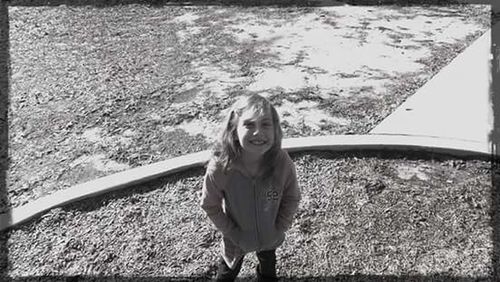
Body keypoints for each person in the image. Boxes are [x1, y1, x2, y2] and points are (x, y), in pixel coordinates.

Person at [200, 94, 301, 282]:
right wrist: (233, 233)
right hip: (236, 238)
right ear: (234, 129)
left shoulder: (281, 162)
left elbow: (292, 196)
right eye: (249, 124)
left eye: (265, 124)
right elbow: (210, 204)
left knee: (268, 268)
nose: (258, 132)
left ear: (276, 129)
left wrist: (279, 227)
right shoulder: (222, 166)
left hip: (269, 234)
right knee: (227, 273)